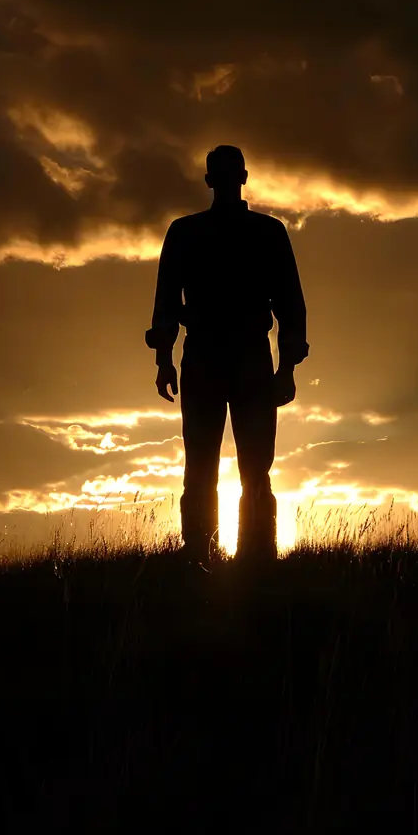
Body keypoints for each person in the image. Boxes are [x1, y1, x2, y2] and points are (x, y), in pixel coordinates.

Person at [146, 145, 309, 566]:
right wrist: (286, 367)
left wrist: (164, 357)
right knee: (239, 465)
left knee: (212, 463)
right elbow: (290, 306)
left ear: (210, 180)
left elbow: (290, 304)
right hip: (235, 358)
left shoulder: (188, 232)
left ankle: (208, 552)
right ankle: (238, 553)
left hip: (215, 357)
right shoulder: (263, 232)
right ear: (244, 177)